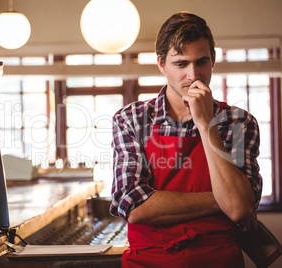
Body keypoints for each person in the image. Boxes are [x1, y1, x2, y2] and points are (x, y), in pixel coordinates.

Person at [110, 11, 262, 267]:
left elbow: (237, 209)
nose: (193, 75)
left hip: (218, 259)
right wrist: (222, 199)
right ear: (162, 64)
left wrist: (206, 125)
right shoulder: (131, 119)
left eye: (202, 62)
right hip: (149, 259)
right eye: (181, 64)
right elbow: (134, 206)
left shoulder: (239, 123)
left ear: (213, 59)